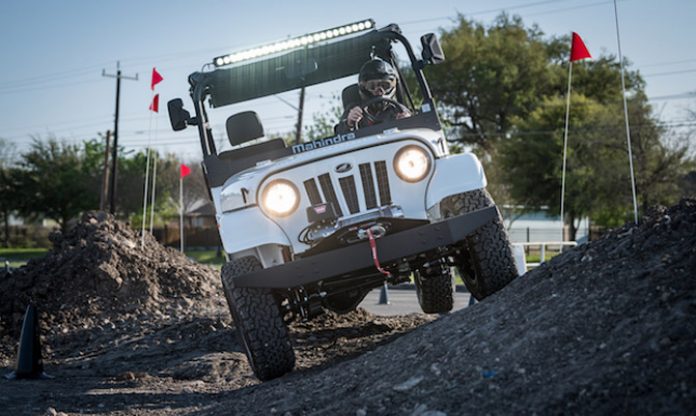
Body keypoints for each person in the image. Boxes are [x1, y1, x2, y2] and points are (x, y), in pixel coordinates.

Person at [335, 58, 411, 134]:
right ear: (364, 88)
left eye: (385, 86)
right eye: (372, 86)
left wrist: (407, 121)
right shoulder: (354, 109)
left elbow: (414, 131)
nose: (380, 92)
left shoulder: (398, 109)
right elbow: (339, 134)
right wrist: (349, 123)